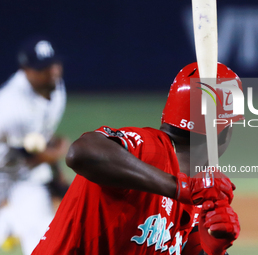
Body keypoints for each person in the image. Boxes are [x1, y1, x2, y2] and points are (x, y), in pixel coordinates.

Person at [32, 62, 244, 255]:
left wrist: (215, 249)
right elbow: (79, 153)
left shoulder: (202, 190)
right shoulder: (149, 149)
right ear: (223, 131)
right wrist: (180, 187)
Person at [0, 36, 69, 255]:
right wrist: (57, 152)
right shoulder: (8, 106)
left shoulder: (56, 90)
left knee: (44, 243)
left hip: (24, 177)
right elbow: (34, 155)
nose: (53, 72)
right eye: (43, 68)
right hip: (4, 171)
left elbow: (40, 144)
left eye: (53, 64)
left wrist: (56, 176)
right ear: (26, 70)